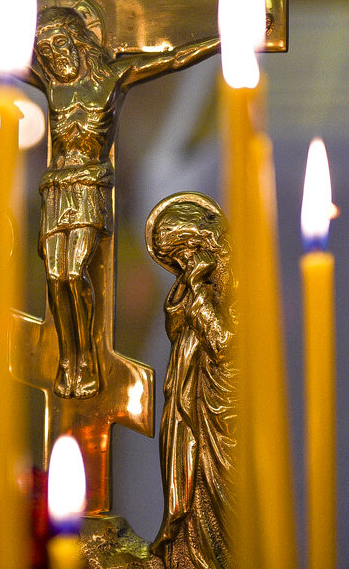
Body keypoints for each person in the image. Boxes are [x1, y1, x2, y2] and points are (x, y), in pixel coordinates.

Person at [0, 5, 223, 398]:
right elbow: (4, 62)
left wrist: (226, 37)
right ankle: (70, 359)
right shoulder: (52, 87)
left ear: (78, 42)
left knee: (75, 274)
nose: (55, 54)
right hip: (56, 193)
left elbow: (175, 58)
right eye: (46, 48)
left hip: (87, 191)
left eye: (60, 43)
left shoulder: (110, 79)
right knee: (58, 278)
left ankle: (88, 358)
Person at [146, 193, 235, 569]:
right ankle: (185, 553)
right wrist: (189, 295)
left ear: (202, 239)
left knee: (221, 490)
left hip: (224, 409)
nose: (182, 262)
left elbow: (226, 343)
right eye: (173, 258)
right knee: (187, 473)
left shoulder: (237, 283)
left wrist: (200, 298)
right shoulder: (188, 285)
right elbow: (177, 331)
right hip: (186, 400)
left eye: (183, 250)